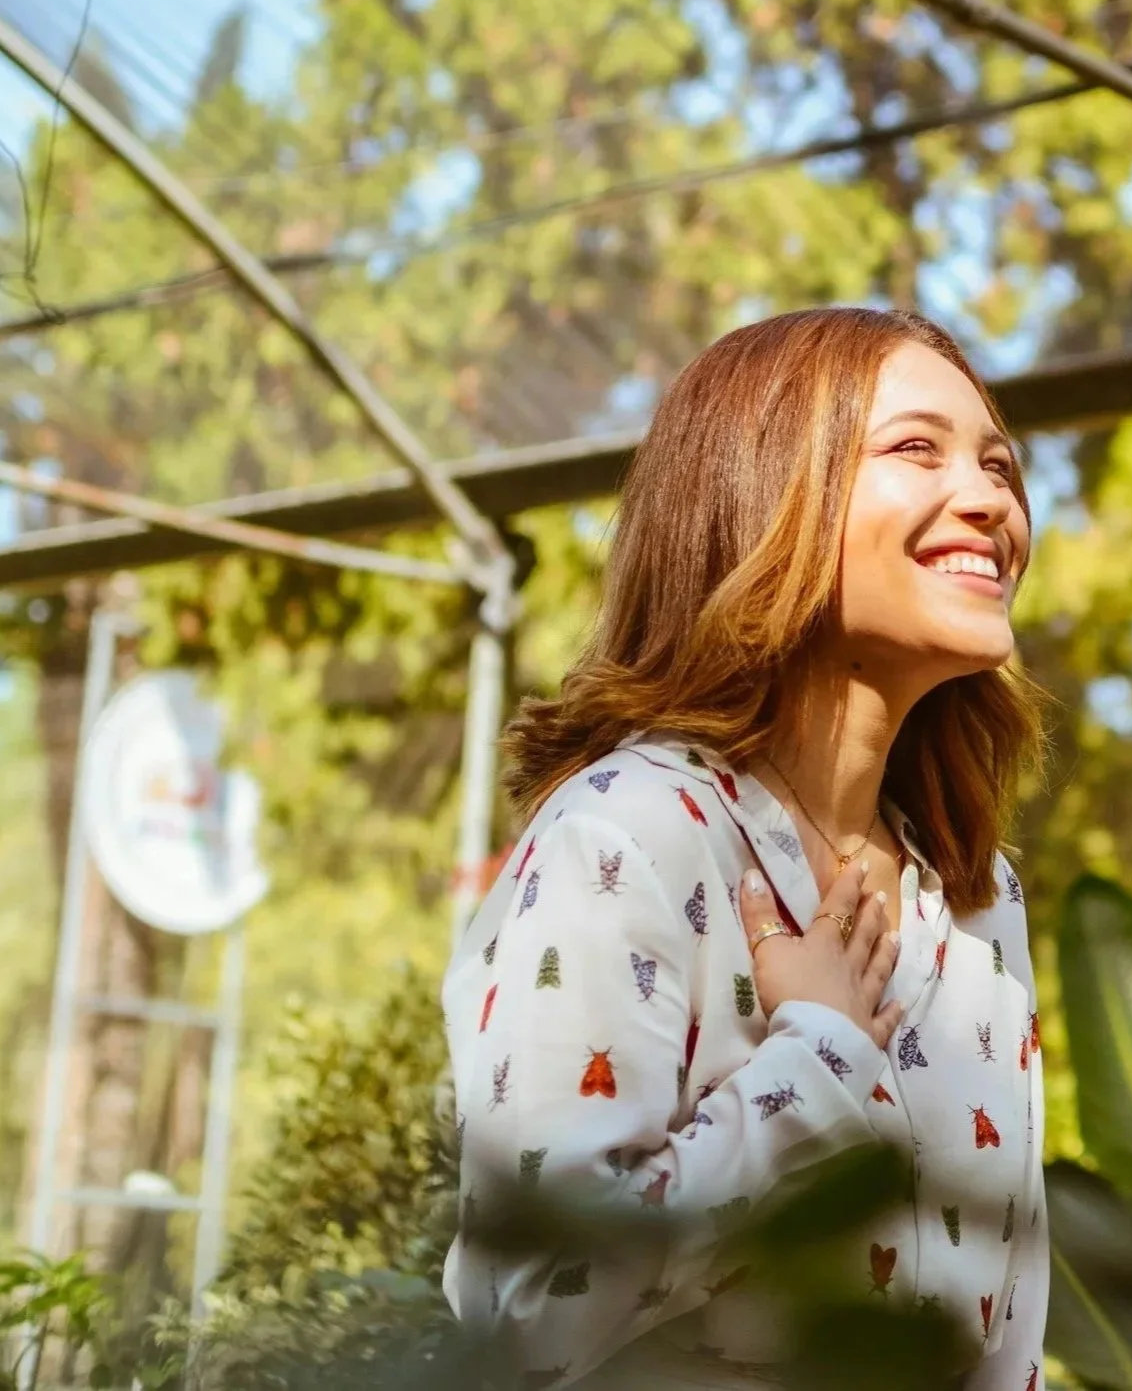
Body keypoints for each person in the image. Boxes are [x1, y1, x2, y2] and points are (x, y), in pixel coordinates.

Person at [443, 306, 1048, 1391]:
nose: (992, 499)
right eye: (918, 448)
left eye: (1001, 466)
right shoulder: (625, 836)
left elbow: (1007, 1330)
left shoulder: (974, 898)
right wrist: (816, 1059)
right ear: (763, 492)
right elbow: (529, 1310)